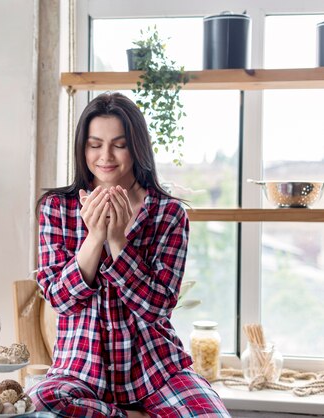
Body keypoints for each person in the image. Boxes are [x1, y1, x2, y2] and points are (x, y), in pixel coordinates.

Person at [27, 92, 229, 417]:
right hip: (80, 368)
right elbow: (61, 301)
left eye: (119, 144)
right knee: (42, 403)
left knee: (210, 414)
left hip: (156, 370)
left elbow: (156, 308)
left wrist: (119, 241)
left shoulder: (168, 213)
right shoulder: (57, 208)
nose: (105, 155)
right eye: (94, 144)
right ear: (82, 148)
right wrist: (94, 239)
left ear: (136, 146)